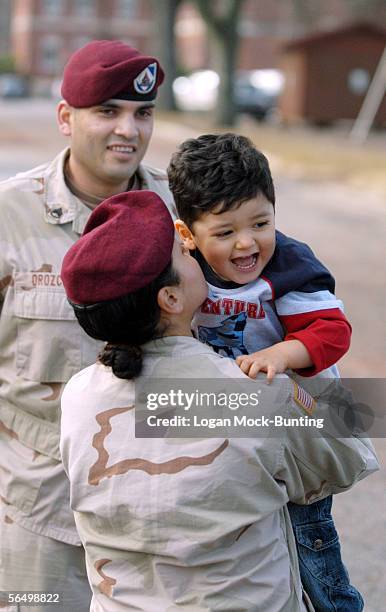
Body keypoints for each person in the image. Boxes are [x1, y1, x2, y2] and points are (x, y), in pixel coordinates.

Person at [59, 189, 378, 611]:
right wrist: (291, 358)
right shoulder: (253, 395)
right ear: (171, 299)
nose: (197, 258)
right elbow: (345, 450)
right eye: (182, 254)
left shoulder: (77, 395)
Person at [0, 39, 173, 611]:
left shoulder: (184, 212)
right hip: (39, 515)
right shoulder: (9, 216)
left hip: (163, 513)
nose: (129, 129)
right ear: (66, 117)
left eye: (143, 112)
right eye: (108, 111)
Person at [167, 132, 363, 610]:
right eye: (226, 231)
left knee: (309, 533)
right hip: (223, 421)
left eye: (261, 222)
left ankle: (336, 604)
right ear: (187, 234)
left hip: (294, 421)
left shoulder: (289, 264)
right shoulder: (181, 266)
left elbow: (333, 332)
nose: (247, 243)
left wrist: (284, 354)